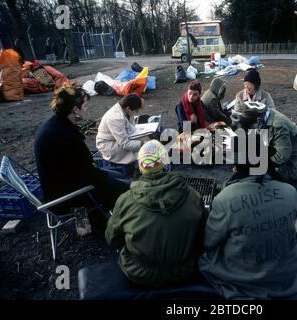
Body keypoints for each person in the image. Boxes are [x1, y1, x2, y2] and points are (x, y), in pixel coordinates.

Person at [198, 135, 297, 300]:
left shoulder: (225, 199)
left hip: (244, 278)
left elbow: (210, 242)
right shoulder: (289, 191)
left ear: (238, 164)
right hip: (286, 272)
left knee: (206, 260)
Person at [105, 140, 207, 287]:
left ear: (141, 167)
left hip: (139, 273)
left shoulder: (125, 200)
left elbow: (112, 240)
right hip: (184, 270)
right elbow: (202, 238)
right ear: (167, 164)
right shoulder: (193, 196)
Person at [34, 82, 129, 216]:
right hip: (67, 196)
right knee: (127, 190)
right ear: (75, 110)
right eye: (85, 106)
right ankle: (112, 221)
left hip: (61, 184)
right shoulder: (64, 135)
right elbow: (88, 174)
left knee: (118, 176)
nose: (87, 109)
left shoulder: (57, 124)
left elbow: (79, 166)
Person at [237, 100, 297, 183]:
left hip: (290, 166)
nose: (252, 129)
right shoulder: (264, 117)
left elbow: (282, 157)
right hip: (275, 151)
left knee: (253, 177)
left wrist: (257, 164)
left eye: (251, 126)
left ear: (258, 120)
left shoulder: (278, 125)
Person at [96, 94, 146, 169]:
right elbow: (125, 145)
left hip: (117, 140)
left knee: (142, 145)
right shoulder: (116, 118)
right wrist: (143, 143)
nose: (137, 113)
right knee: (143, 153)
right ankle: (136, 171)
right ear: (128, 108)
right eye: (136, 111)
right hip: (108, 145)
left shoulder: (124, 109)